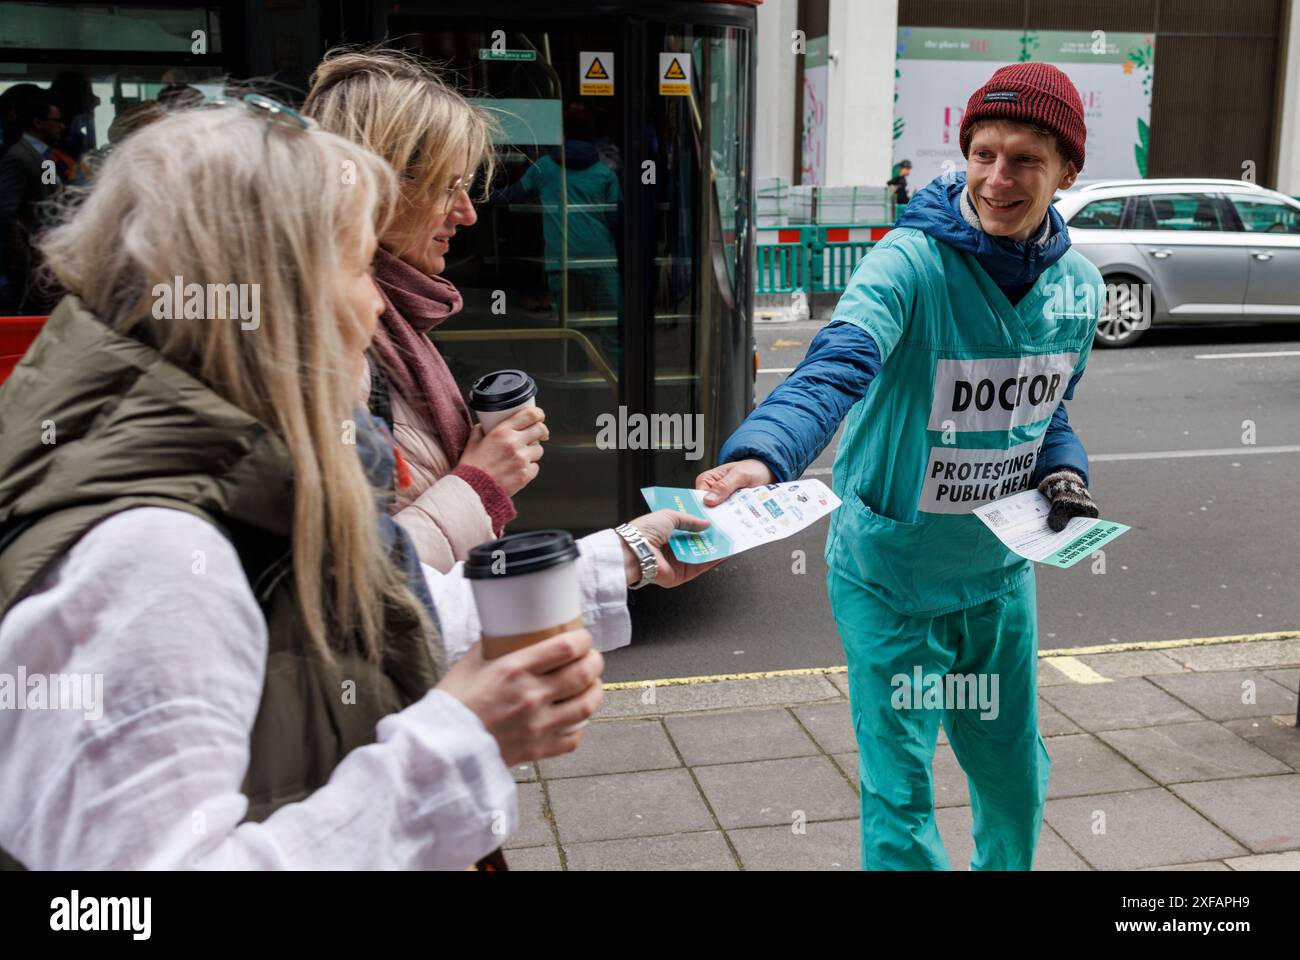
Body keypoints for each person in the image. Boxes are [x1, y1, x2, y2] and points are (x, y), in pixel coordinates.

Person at [0, 100, 649, 870]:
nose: (375, 302)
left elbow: (370, 612)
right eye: (353, 266)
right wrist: (456, 743)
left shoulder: (231, 470)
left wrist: (632, 555)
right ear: (275, 298)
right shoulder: (154, 560)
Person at [695, 63, 1102, 870]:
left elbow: (1045, 404)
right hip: (893, 585)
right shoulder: (908, 263)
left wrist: (1065, 470)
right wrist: (764, 453)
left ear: (1067, 173)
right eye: (983, 152)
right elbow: (839, 360)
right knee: (900, 795)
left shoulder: (1078, 288)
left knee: (1014, 780)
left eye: (1025, 159)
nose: (997, 178)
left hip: (998, 582)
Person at [303, 49, 682, 585]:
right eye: (446, 187)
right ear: (375, 188)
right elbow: (347, 587)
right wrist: (479, 482)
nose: (467, 213)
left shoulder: (388, 324)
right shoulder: (333, 346)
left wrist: (630, 557)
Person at [0, 88, 64, 313]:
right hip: (27, 260)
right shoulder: (18, 157)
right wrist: (20, 259)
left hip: (44, 255)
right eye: (56, 121)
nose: (62, 126)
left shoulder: (45, 156)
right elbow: (6, 211)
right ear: (38, 123)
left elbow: (49, 192)